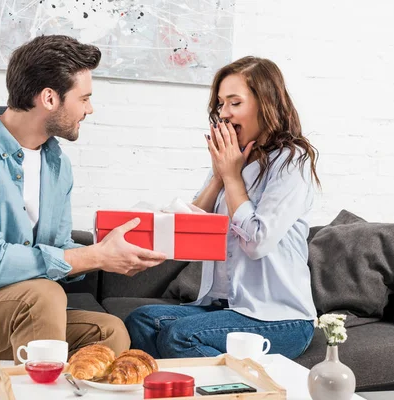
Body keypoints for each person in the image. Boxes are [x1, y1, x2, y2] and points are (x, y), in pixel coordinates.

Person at [0, 35, 167, 368]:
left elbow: (58, 247)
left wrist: (107, 256)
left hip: (13, 312)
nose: (89, 109)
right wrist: (90, 254)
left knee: (108, 331)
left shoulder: (56, 163)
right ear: (49, 98)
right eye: (84, 98)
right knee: (42, 295)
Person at [125, 56, 321, 359]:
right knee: (142, 321)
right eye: (220, 104)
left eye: (234, 103)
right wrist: (219, 177)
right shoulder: (232, 159)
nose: (224, 114)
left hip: (280, 318)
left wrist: (231, 177)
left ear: (265, 103)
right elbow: (190, 235)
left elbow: (257, 243)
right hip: (225, 308)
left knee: (180, 337)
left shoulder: (291, 162)